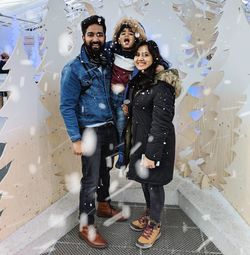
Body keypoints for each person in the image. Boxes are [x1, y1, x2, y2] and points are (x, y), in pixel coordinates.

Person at [60, 15, 127, 249]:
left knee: (105, 170)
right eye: (91, 34)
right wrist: (75, 139)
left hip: (108, 128)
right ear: (83, 37)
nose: (95, 38)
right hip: (88, 132)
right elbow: (66, 106)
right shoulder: (73, 69)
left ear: (104, 37)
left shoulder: (107, 61)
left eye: (99, 34)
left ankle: (104, 204)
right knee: (90, 179)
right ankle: (86, 225)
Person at [124, 40, 182, 249]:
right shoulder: (142, 80)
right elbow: (143, 108)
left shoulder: (163, 86)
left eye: (146, 54)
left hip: (156, 144)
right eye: (138, 54)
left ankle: (155, 225)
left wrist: (152, 155)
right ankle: (150, 213)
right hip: (141, 141)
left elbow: (161, 123)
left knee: (154, 184)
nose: (140, 58)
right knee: (145, 181)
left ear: (154, 58)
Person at [107, 17, 146, 169]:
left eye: (131, 33)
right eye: (123, 33)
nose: (126, 35)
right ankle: (114, 149)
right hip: (110, 96)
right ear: (117, 37)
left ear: (137, 37)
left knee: (122, 126)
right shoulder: (111, 49)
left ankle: (123, 155)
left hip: (125, 99)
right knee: (111, 125)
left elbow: (158, 59)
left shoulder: (140, 54)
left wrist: (160, 65)